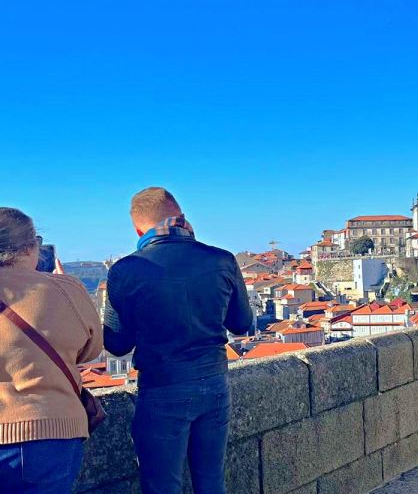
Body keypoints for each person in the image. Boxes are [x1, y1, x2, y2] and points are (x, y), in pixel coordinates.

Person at [103, 188, 253, 494]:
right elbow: (240, 324)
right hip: (214, 383)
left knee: (162, 487)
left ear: (138, 230)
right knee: (211, 482)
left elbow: (116, 345)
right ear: (182, 218)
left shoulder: (125, 271)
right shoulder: (222, 260)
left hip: (162, 387)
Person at [0, 208, 103, 493]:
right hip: (51, 432)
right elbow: (92, 350)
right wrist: (66, 286)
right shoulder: (65, 289)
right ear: (31, 247)